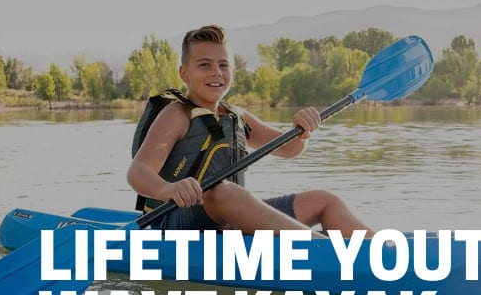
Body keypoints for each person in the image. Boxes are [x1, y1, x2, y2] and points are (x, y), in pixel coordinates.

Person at [127, 25, 372, 238]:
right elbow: (138, 172)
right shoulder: (176, 114)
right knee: (223, 191)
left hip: (229, 216)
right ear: (185, 73)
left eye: (224, 64)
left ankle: (385, 250)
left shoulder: (236, 116)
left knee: (323, 200)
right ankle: (326, 250)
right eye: (205, 64)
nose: (216, 72)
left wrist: (301, 129)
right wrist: (168, 189)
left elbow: (290, 149)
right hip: (175, 221)